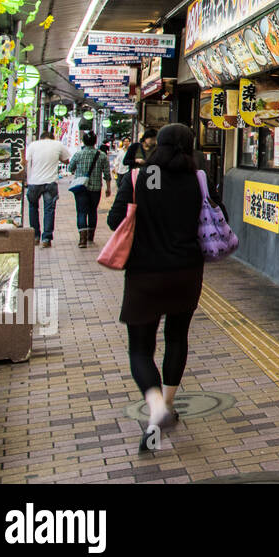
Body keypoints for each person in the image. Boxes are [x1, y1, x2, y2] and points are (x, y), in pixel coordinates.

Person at [108, 123, 219, 452]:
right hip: (186, 271)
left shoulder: (138, 177)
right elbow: (216, 215)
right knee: (176, 337)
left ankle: (156, 407)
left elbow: (116, 221)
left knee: (140, 348)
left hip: (145, 273)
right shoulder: (197, 179)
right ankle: (168, 404)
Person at [24, 127, 71, 248]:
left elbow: (25, 161)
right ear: (52, 138)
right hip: (50, 182)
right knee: (49, 210)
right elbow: (66, 161)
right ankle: (46, 238)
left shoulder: (33, 145)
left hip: (34, 182)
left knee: (33, 208)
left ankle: (35, 236)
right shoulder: (58, 144)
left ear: (41, 138)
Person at [67, 130, 111, 248]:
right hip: (96, 188)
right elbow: (107, 173)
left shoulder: (78, 154)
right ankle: (91, 236)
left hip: (81, 187)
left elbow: (70, 168)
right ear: (95, 142)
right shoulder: (102, 155)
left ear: (84, 142)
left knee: (81, 211)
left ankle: (82, 239)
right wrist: (108, 188)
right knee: (92, 211)